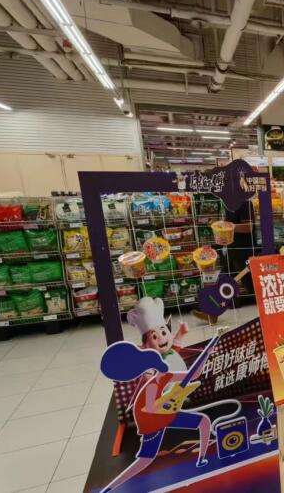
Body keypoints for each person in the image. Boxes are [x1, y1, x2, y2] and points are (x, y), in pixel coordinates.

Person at [99, 342, 214, 492]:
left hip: (163, 414)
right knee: (145, 460)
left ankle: (201, 459)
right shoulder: (153, 385)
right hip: (151, 420)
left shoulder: (165, 377)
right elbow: (151, 408)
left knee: (203, 421)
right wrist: (171, 397)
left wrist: (206, 353)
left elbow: (193, 375)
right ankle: (109, 488)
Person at [192, 200, 257, 323]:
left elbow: (248, 227)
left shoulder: (245, 202)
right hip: (232, 249)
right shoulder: (228, 203)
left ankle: (271, 309)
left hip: (244, 250)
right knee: (222, 281)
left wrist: (226, 227)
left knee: (251, 284)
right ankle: (211, 312)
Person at [129, 297, 189, 372]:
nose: (161, 339)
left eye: (163, 333)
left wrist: (181, 332)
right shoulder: (149, 360)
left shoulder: (169, 352)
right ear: (145, 344)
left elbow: (174, 350)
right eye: (154, 337)